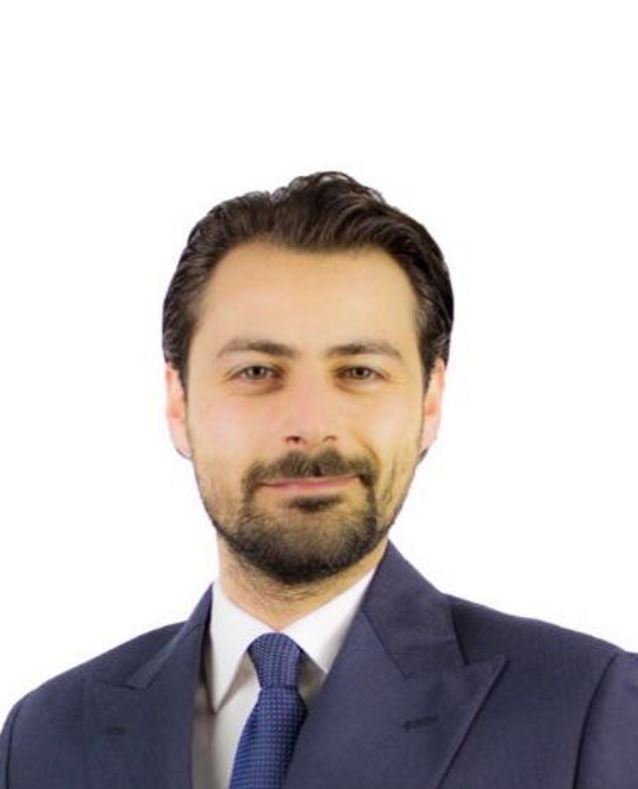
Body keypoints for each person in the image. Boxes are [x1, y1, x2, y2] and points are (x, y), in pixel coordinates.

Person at [1, 172, 636, 788]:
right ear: (178, 402)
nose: (310, 426)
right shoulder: (43, 739)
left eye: (359, 372)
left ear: (429, 403)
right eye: (256, 371)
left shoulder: (587, 710)